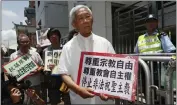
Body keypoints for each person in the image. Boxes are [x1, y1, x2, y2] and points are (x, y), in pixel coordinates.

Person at [57, 5, 115, 104]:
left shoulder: (104, 43)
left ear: (92, 19)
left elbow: (115, 69)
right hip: (80, 100)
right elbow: (64, 74)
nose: (85, 21)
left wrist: (109, 90)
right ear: (74, 24)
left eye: (88, 16)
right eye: (81, 18)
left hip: (104, 100)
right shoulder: (68, 47)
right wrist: (78, 90)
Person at [134, 14, 176, 102]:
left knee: (159, 91)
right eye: (149, 22)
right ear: (145, 24)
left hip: (158, 68)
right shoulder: (140, 38)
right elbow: (135, 53)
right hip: (144, 68)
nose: (151, 24)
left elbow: (171, 51)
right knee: (147, 90)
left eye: (153, 21)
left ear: (157, 23)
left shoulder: (162, 36)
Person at [9, 34, 44, 105]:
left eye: (27, 42)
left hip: (35, 84)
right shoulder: (13, 56)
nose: (25, 44)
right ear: (18, 43)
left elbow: (42, 66)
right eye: (23, 42)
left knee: (38, 102)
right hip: (21, 86)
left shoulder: (35, 54)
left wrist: (38, 70)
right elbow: (10, 72)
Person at [42, 28, 63, 105]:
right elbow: (44, 66)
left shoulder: (65, 49)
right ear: (49, 38)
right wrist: (46, 68)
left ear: (59, 37)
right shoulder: (45, 51)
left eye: (56, 34)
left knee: (66, 100)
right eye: (51, 35)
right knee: (54, 100)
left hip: (64, 78)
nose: (54, 36)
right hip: (52, 80)